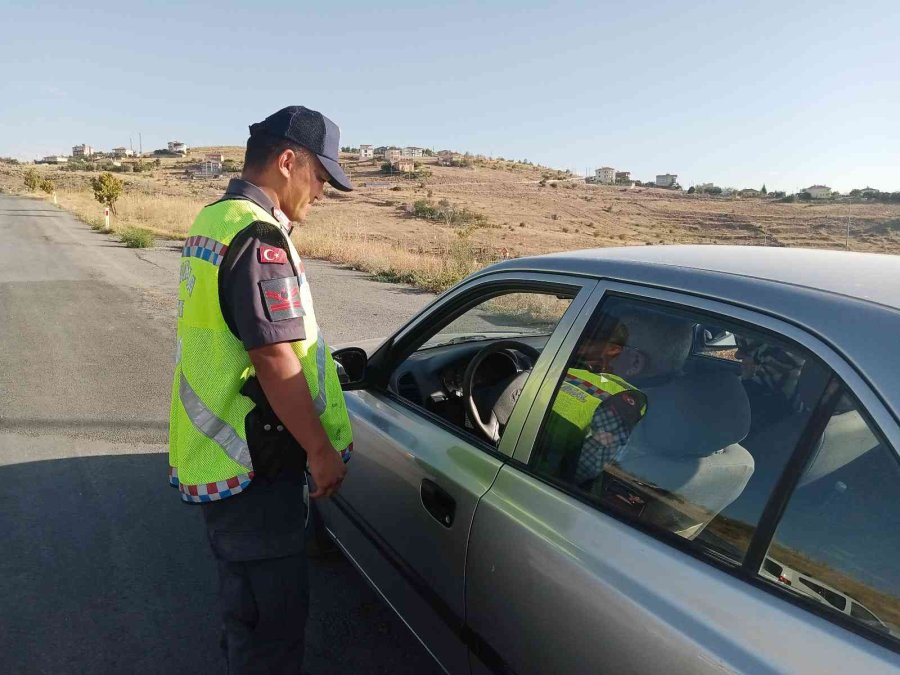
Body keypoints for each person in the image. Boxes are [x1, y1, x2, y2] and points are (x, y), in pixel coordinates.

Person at [168, 105, 354, 673]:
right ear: (288, 160)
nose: (321, 190)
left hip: (225, 451)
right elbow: (275, 358)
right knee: (270, 629)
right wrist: (321, 452)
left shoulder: (213, 219)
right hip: (255, 462)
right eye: (319, 176)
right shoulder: (258, 235)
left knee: (246, 614)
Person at [544, 315, 647, 488]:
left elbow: (580, 472)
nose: (575, 347)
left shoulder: (617, 404)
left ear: (613, 350)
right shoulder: (609, 388)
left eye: (583, 342)